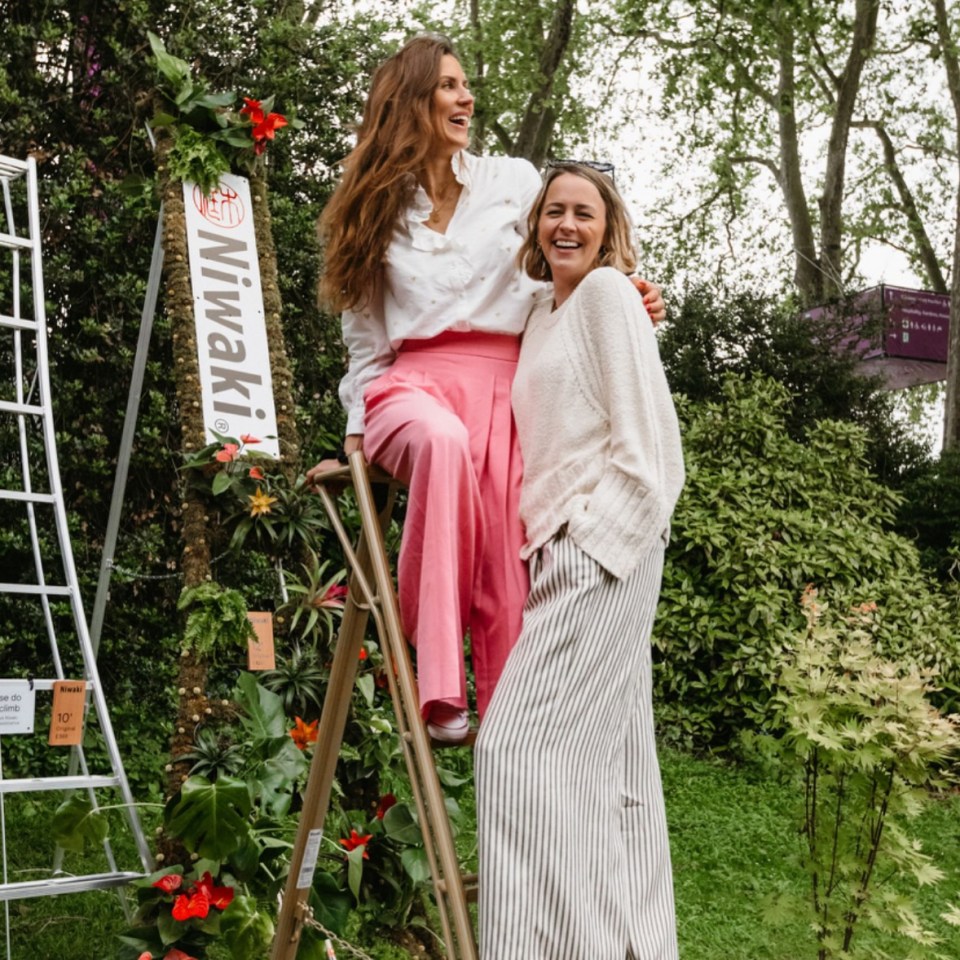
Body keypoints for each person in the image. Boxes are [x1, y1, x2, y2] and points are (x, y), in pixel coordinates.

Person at [306, 35, 665, 741]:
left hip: (506, 391)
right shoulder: (373, 210)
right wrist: (355, 436)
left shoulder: (512, 181)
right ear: (411, 101)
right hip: (411, 388)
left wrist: (618, 289)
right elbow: (364, 336)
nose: (466, 98)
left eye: (465, 85)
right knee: (439, 445)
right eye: (448, 86)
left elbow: (560, 256)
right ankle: (439, 687)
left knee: (507, 552)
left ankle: (506, 718)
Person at [474, 163, 684, 959]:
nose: (566, 224)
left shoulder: (606, 297)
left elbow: (655, 453)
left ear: (608, 228)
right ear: (535, 227)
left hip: (599, 550)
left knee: (513, 752)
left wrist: (596, 547)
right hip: (556, 552)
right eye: (553, 211)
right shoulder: (538, 313)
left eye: (583, 213)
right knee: (615, 776)